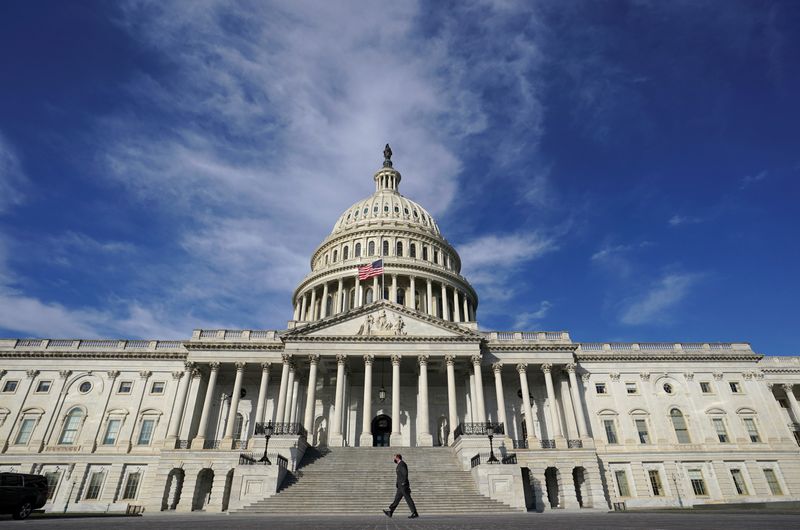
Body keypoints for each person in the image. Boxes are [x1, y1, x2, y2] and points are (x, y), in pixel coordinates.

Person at [383, 454, 419, 518]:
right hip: (400, 486)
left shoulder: (402, 464)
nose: (394, 459)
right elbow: (399, 476)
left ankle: (414, 513)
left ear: (397, 458)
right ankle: (390, 512)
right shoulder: (399, 465)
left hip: (403, 485)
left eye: (394, 458)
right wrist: (397, 483)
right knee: (397, 499)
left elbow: (405, 473)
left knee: (408, 499)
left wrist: (403, 482)